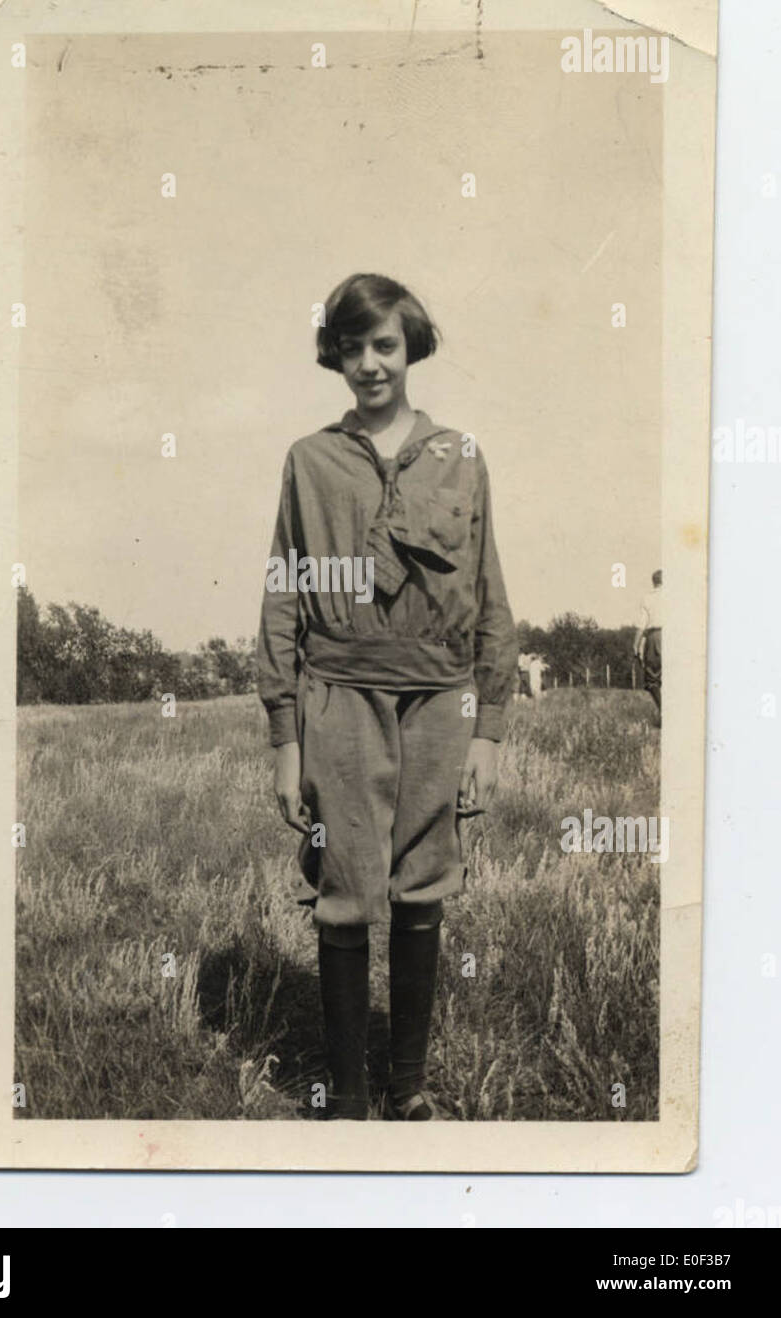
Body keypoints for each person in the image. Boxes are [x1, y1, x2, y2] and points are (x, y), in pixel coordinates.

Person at [257, 273, 517, 1121]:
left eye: (385, 346)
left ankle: (407, 1088)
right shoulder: (309, 460)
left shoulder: (460, 456)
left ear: (411, 350)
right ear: (331, 352)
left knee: (422, 884)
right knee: (343, 880)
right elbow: (284, 595)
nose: (369, 364)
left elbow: (488, 590)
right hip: (339, 694)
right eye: (351, 346)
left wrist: (489, 730)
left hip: (441, 699)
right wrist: (285, 740)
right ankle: (348, 1096)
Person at [634, 569, 663, 724]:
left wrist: (635, 644)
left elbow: (641, 624)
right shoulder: (676, 596)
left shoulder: (648, 598)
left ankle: (664, 710)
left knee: (652, 679)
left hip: (656, 636)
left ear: (653, 582)